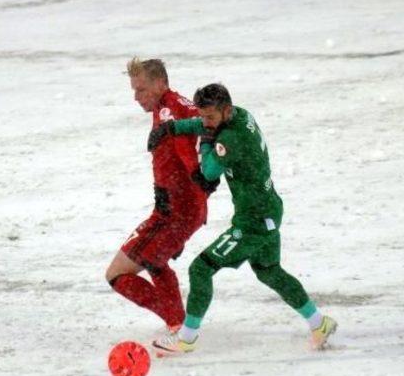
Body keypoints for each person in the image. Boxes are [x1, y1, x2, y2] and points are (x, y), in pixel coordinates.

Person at [150, 83, 337, 354]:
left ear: (226, 111)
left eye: (210, 118)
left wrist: (204, 144)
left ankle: (186, 339)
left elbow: (208, 173)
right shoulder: (240, 114)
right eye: (202, 117)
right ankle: (319, 323)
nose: (205, 123)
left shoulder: (231, 139)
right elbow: (205, 125)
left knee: (201, 269)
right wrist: (172, 128)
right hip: (269, 209)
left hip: (254, 220)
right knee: (269, 271)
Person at [105, 58, 219, 332]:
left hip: (175, 211)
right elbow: (205, 133)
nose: (136, 97)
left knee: (116, 274)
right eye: (133, 90)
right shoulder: (178, 105)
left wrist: (195, 183)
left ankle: (178, 322)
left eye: (141, 89)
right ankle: (177, 321)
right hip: (182, 209)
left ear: (161, 83)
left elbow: (184, 150)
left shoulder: (169, 109)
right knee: (155, 262)